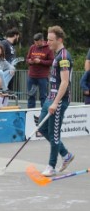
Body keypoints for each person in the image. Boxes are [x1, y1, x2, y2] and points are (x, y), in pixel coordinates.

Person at [38, 26, 74, 176]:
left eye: (51, 40)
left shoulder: (64, 57)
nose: (48, 43)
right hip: (50, 98)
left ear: (60, 40)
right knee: (42, 128)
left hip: (58, 101)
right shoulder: (57, 54)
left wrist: (55, 103)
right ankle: (66, 154)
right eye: (47, 39)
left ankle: (51, 166)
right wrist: (50, 100)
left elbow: (64, 82)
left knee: (54, 134)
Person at [26, 33, 54, 108]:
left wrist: (40, 61)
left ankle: (44, 113)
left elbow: (51, 61)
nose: (36, 44)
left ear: (42, 40)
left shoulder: (48, 48)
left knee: (43, 96)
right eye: (35, 42)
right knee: (31, 95)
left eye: (38, 42)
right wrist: (30, 61)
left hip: (43, 77)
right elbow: (27, 59)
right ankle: (30, 113)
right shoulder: (32, 47)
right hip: (31, 76)